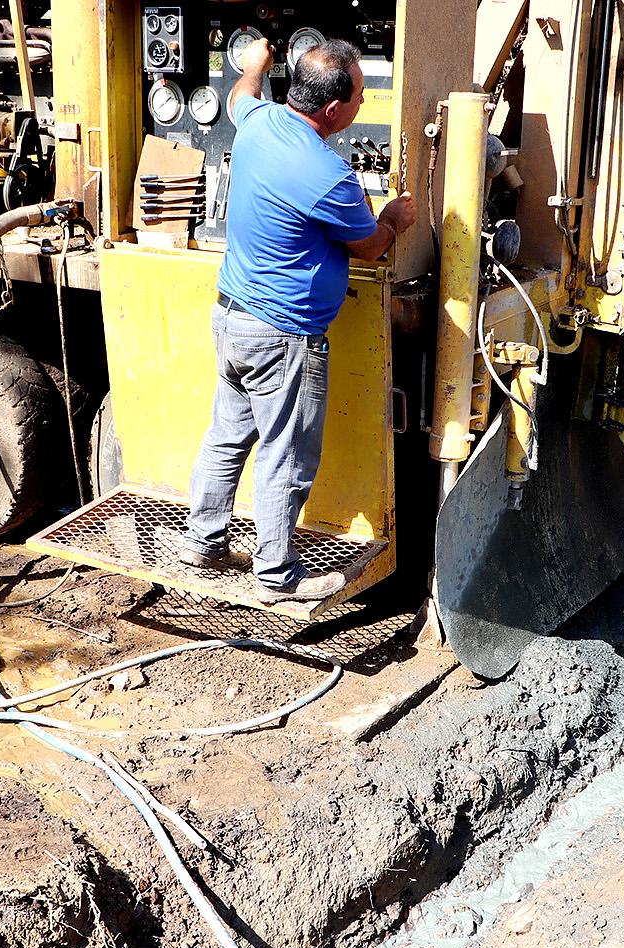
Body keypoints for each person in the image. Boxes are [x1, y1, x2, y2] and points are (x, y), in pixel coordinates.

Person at [181, 36, 416, 604]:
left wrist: (253, 67)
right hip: (282, 336)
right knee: (285, 453)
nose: (363, 105)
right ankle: (276, 577)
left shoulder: (257, 122)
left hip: (232, 320)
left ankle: (203, 541)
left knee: (228, 436)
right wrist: (393, 219)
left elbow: (239, 94)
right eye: (359, 97)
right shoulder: (328, 176)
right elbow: (369, 247)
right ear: (332, 109)